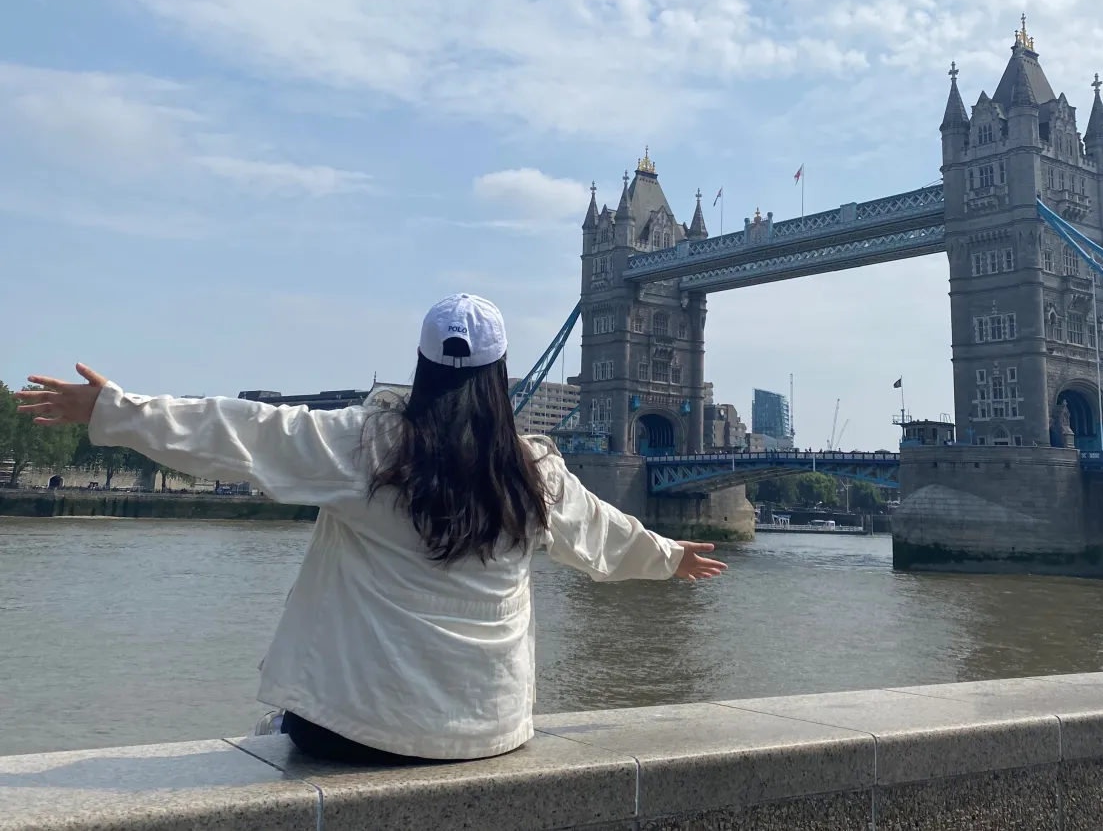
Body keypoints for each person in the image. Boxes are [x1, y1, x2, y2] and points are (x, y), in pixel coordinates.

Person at [16, 293, 726, 764]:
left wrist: (112, 412)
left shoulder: (368, 446)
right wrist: (670, 556)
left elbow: (241, 431)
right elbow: (599, 535)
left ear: (422, 366)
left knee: (278, 736)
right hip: (490, 732)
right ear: (502, 375)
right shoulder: (532, 469)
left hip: (359, 730)